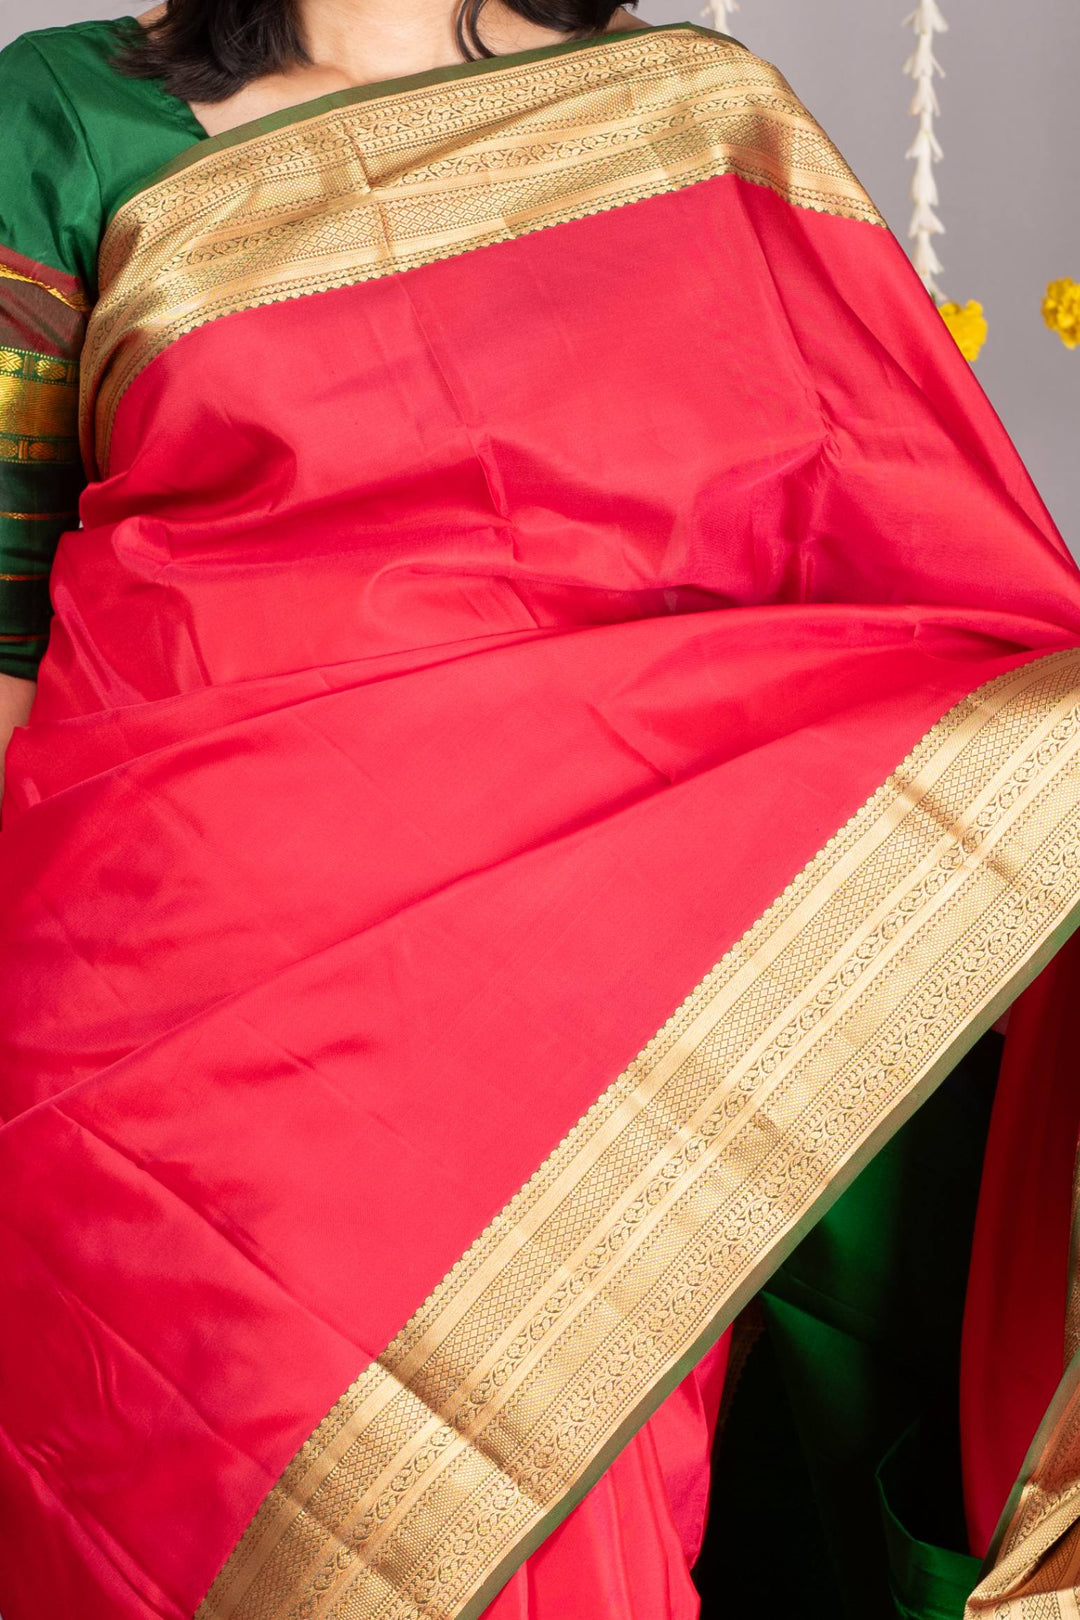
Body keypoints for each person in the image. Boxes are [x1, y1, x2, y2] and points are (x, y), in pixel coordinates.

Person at [1, 3, 1078, 1617]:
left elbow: (894, 558)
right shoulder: (67, 118)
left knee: (560, 1518)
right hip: (172, 1038)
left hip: (591, 1044)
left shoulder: (694, 118)